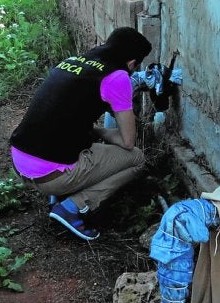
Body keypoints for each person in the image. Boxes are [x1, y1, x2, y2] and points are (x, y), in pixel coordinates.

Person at [9, 27, 152, 241]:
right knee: (137, 159)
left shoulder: (71, 61)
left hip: (19, 161)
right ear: (132, 63)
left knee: (83, 144)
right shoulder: (118, 76)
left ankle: (57, 193)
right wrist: (101, 131)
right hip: (50, 175)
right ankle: (72, 206)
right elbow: (128, 141)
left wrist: (92, 131)